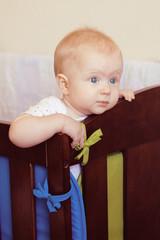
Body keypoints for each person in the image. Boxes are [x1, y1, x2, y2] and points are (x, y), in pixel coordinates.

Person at [9, 27, 135, 179]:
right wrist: (60, 122)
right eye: (94, 79)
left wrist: (119, 98)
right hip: (61, 195)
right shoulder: (55, 109)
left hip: (97, 192)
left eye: (113, 80)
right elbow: (16, 133)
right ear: (65, 85)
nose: (107, 89)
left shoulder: (105, 111)